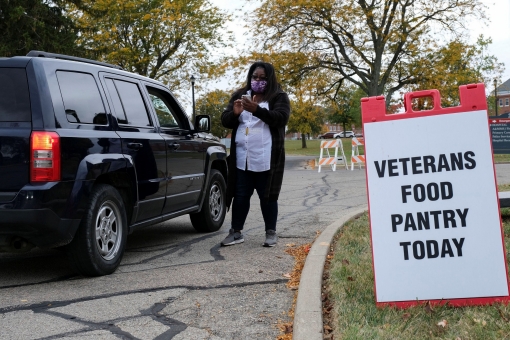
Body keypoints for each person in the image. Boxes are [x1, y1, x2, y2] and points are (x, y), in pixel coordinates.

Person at [220, 61, 291, 247]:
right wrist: (235, 114)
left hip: (266, 157)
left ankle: (270, 232)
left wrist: (256, 110)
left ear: (269, 79)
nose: (257, 80)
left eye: (262, 78)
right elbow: (225, 120)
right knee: (240, 195)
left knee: (267, 196)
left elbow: (281, 118)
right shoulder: (240, 95)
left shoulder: (278, 96)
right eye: (254, 77)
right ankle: (236, 232)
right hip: (243, 157)